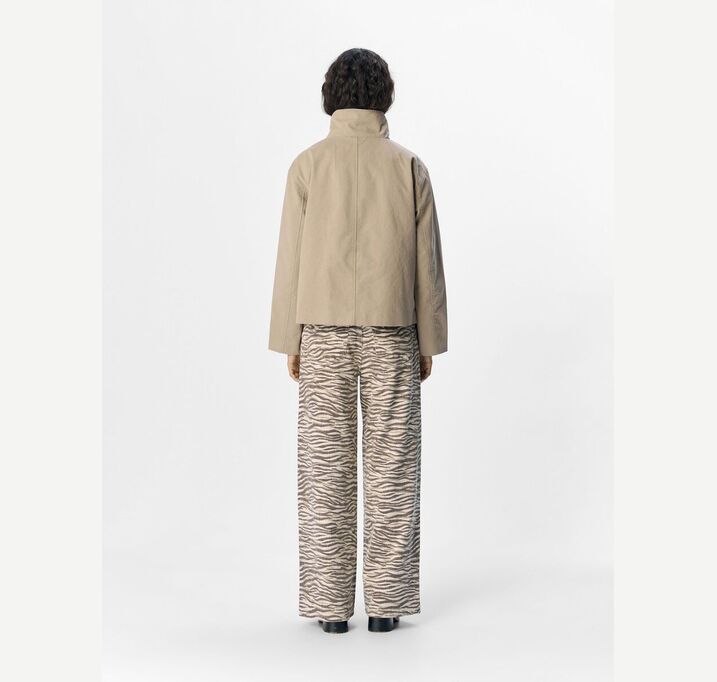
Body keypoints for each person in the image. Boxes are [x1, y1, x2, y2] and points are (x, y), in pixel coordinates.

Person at [268, 48, 447, 634]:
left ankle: (328, 609)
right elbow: (427, 264)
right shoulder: (408, 166)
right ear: (384, 96)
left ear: (331, 96)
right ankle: (387, 606)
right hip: (392, 331)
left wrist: (290, 338)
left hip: (321, 332)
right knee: (393, 468)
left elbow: (291, 260)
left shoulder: (307, 165)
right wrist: (428, 340)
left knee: (325, 471)